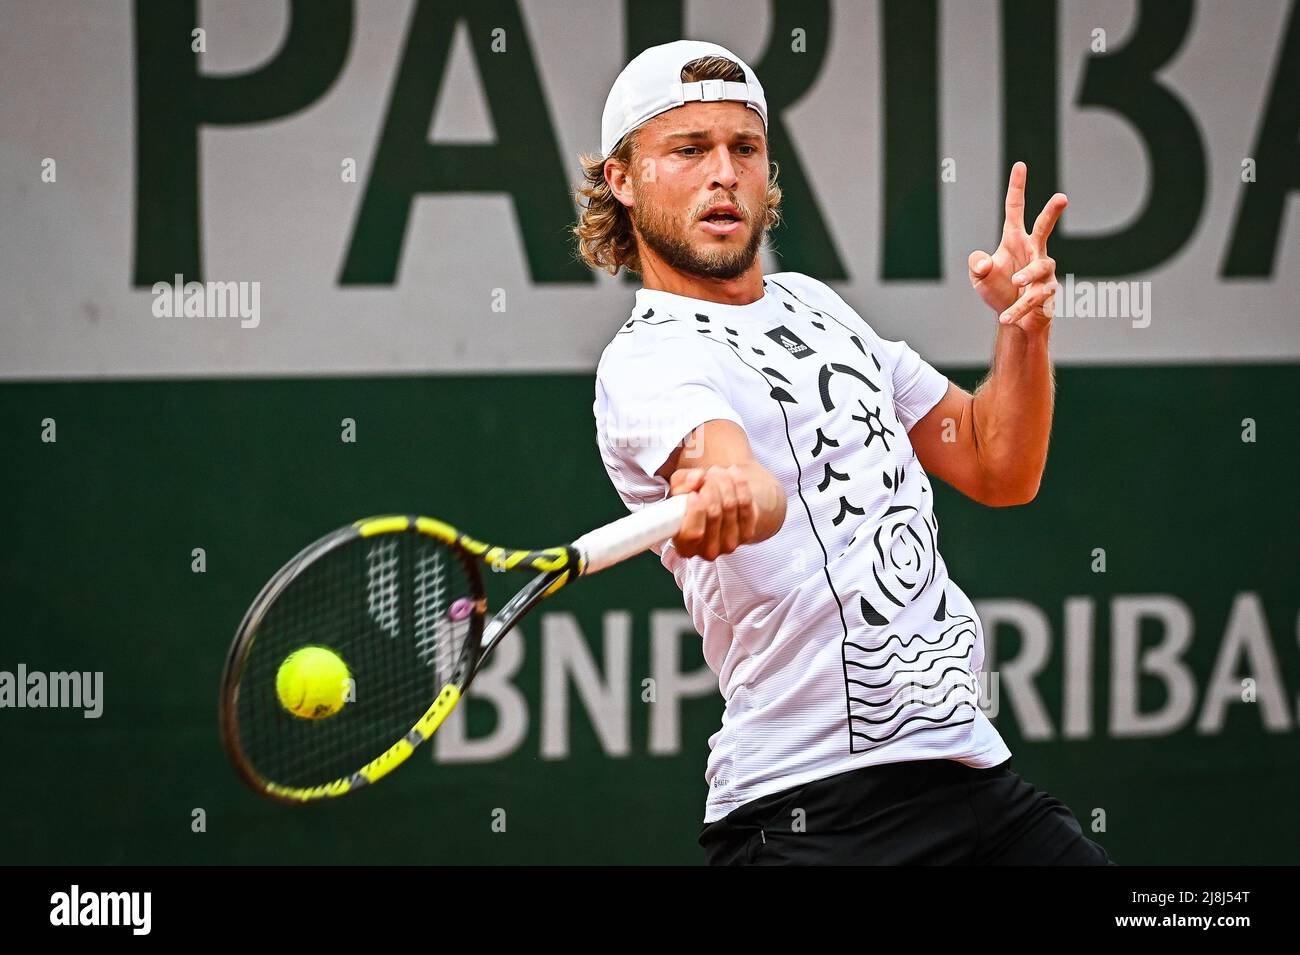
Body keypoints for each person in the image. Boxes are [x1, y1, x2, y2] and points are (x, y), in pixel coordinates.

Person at [574, 39, 1112, 865]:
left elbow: (996, 463)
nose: (723, 172)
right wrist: (725, 487)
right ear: (623, 178)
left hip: (974, 776)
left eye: (743, 149)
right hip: (810, 814)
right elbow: (728, 467)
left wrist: (1023, 331)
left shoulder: (819, 307)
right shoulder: (647, 359)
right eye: (688, 150)